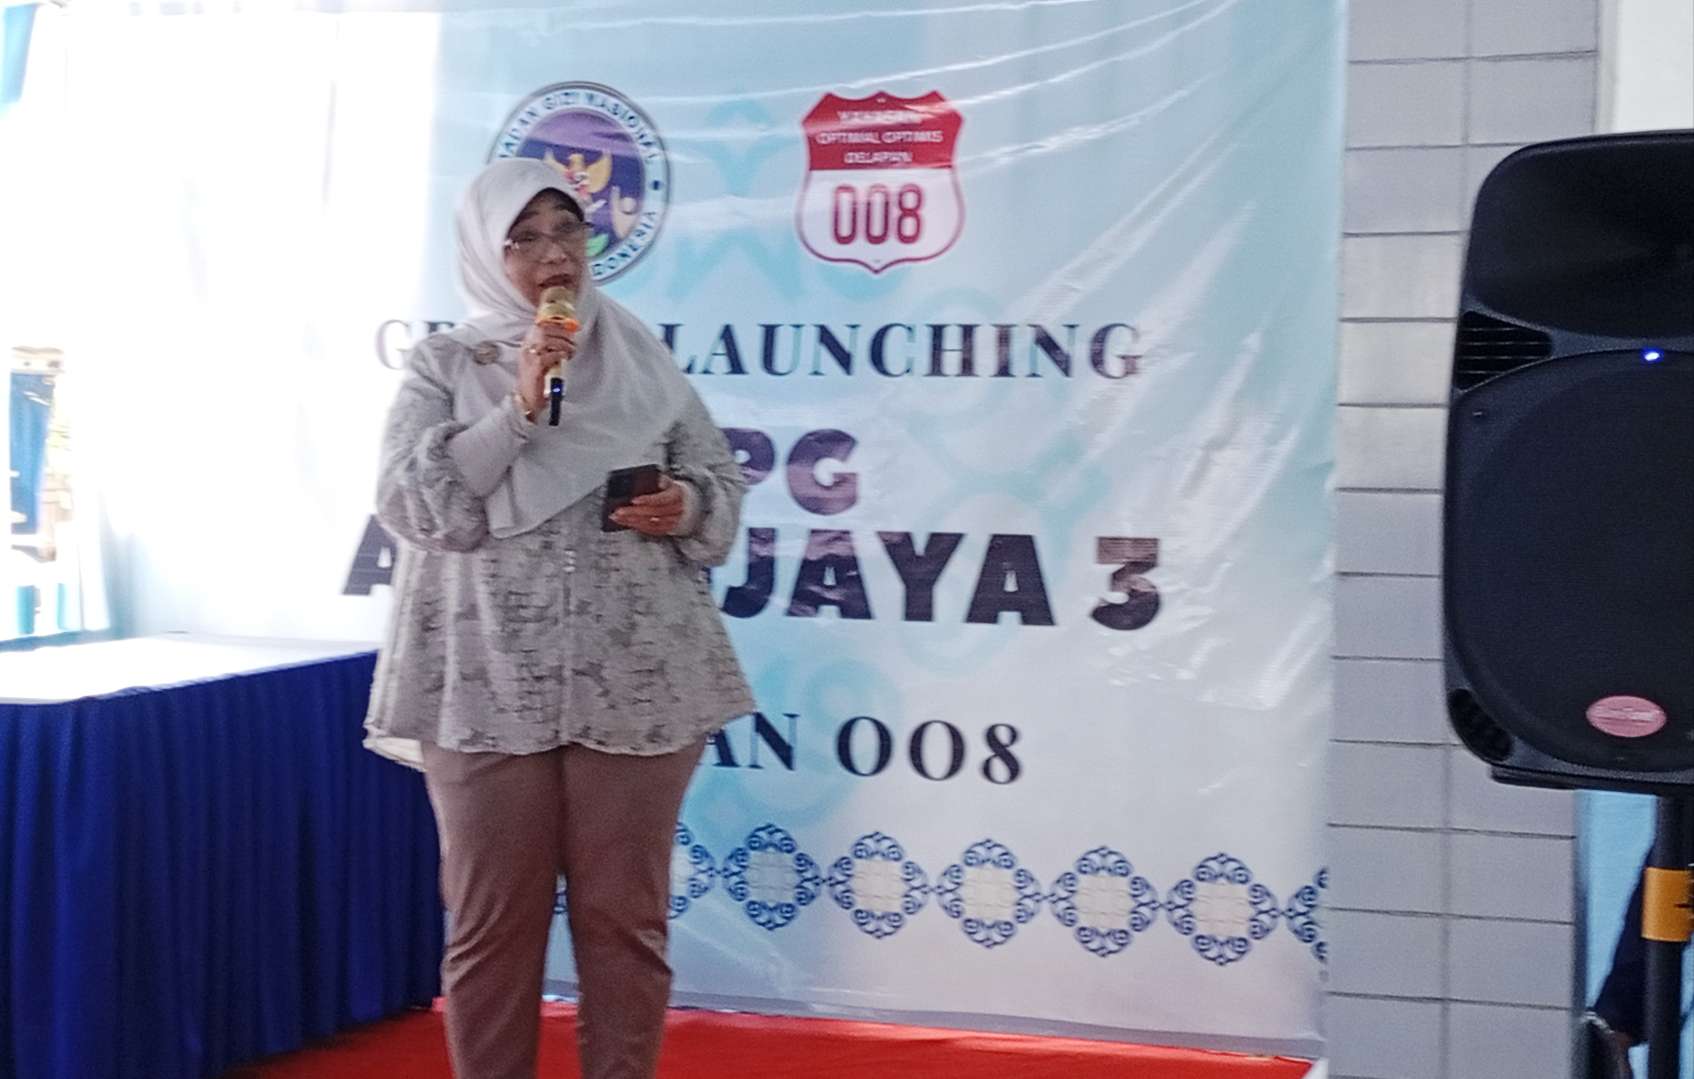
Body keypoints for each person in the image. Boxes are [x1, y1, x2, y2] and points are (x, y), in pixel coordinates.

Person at [364, 156, 755, 1079]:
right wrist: (518, 408)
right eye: (525, 238)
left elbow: (719, 483)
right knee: (491, 926)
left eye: (567, 231)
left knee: (626, 923)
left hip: (640, 680)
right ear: (484, 252)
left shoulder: (640, 356)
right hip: (484, 683)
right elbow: (421, 507)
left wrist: (688, 504)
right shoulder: (445, 365)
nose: (554, 256)